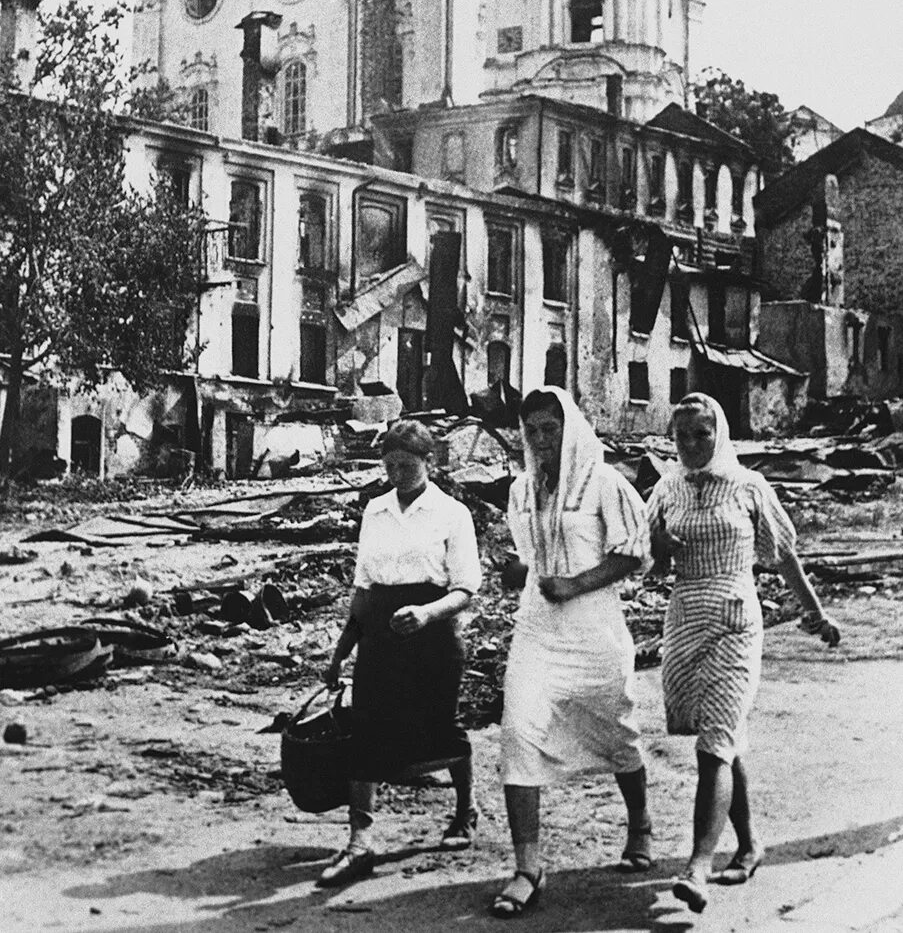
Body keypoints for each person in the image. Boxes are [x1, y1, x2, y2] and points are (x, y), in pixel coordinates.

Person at [648, 392, 840, 914]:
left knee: (714, 746)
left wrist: (816, 615)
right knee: (721, 740)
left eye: (701, 434)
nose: (690, 445)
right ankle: (751, 844)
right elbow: (644, 560)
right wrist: (660, 547)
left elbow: (784, 556)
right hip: (685, 620)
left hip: (735, 619)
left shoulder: (750, 485)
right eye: (681, 436)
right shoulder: (665, 490)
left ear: (720, 434)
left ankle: (696, 868)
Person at [492, 386, 652, 919]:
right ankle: (527, 866)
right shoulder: (521, 490)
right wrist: (522, 573)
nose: (540, 440)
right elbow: (531, 561)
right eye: (532, 430)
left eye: (550, 428)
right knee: (518, 731)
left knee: (616, 730)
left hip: (593, 630)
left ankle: (640, 825)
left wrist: (576, 582)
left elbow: (635, 552)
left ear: (571, 428)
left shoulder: (605, 482)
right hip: (537, 629)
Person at [317, 419, 482, 888]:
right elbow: (363, 589)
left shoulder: (453, 514)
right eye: (389, 465)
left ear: (430, 462)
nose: (397, 474)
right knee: (365, 729)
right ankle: (360, 842)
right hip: (380, 635)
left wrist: (428, 615)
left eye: (407, 466)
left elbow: (466, 587)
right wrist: (340, 654)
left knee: (441, 727)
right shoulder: (375, 511)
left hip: (432, 633)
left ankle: (464, 809)